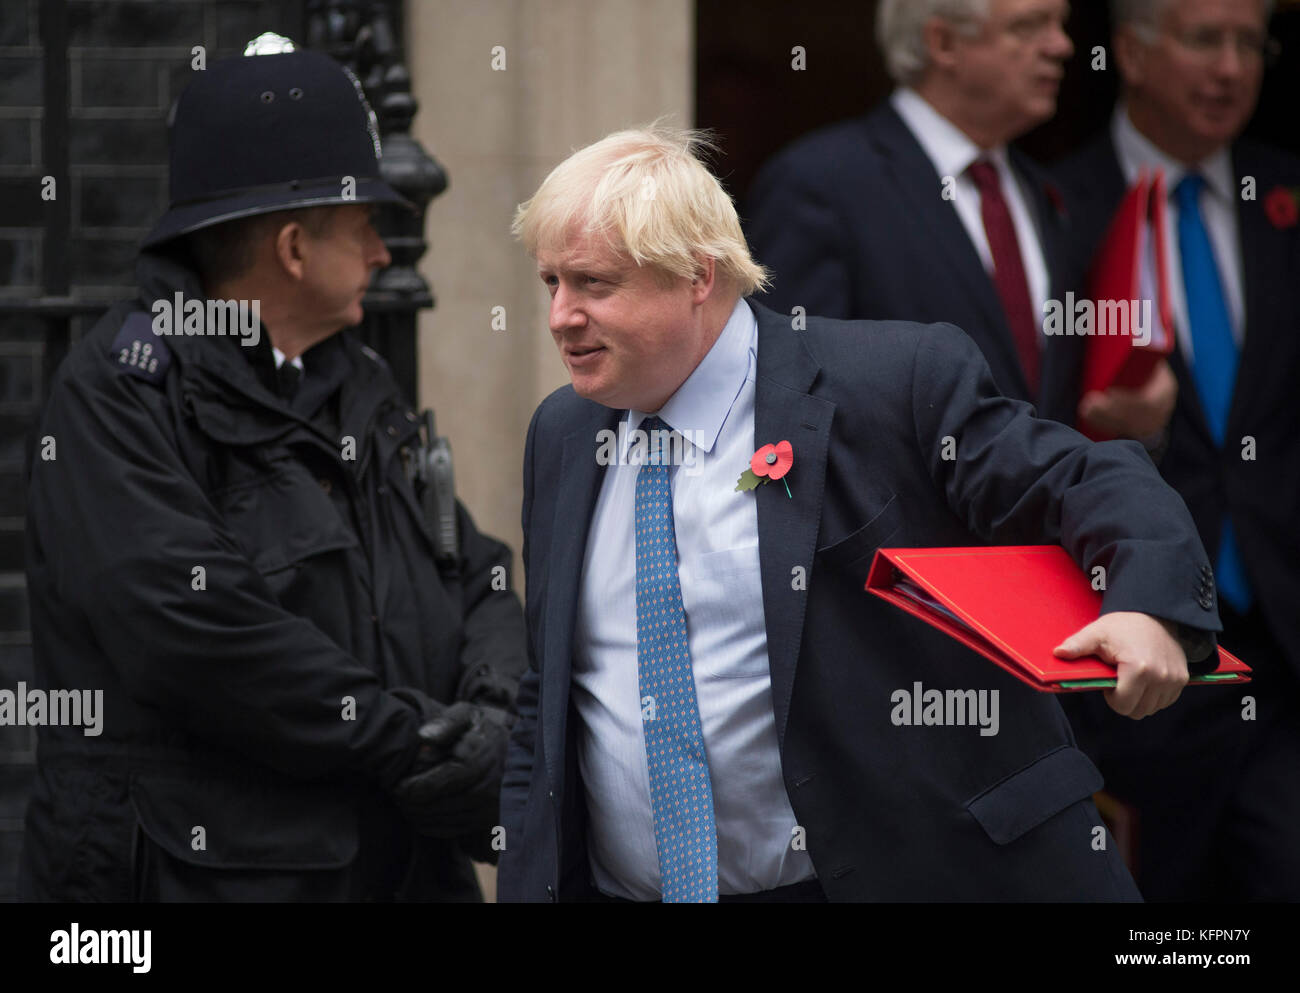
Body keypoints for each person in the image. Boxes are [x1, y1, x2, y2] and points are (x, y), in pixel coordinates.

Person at [497, 125, 1224, 903]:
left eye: (594, 284)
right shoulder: (564, 433)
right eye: (550, 285)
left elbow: (1083, 474)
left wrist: (1146, 603)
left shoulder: (890, 382)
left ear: (696, 275)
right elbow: (554, 692)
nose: (560, 317)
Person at [19, 39, 526, 902]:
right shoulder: (119, 396)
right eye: (365, 224)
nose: (380, 253)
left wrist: (495, 716)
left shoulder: (359, 381)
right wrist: (415, 743)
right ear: (293, 247)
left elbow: (474, 570)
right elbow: (197, 637)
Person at [1053, 0, 1300, 900]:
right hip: (1132, 654)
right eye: (1205, 39)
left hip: (1280, 661)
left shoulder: (1284, 196)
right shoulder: (1053, 207)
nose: (1232, 68)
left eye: (1250, 42)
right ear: (1132, 51)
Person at [746, 0, 1178, 434]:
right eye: (1029, 26)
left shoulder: (1052, 196)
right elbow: (795, 404)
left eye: (1060, 23)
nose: (1062, 45)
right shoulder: (822, 185)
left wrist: (1136, 423)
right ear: (944, 42)